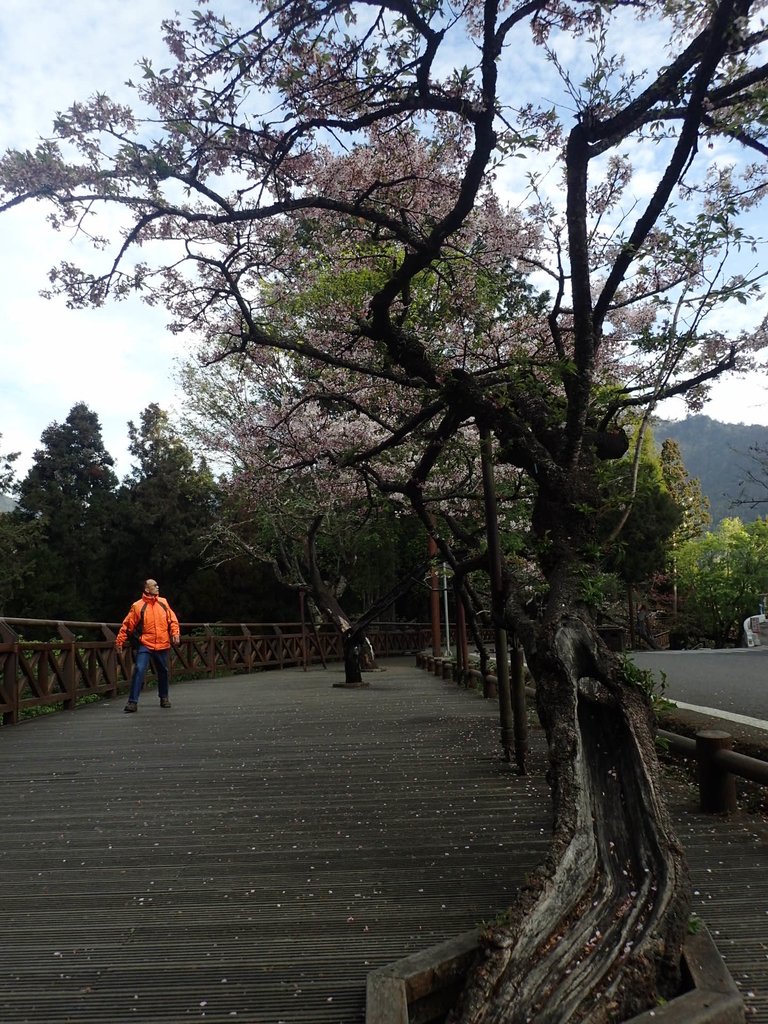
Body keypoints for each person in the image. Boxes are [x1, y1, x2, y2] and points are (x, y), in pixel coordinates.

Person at [116, 579, 180, 713]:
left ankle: (164, 697)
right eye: (154, 585)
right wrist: (119, 641)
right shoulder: (138, 606)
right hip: (145, 643)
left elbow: (172, 620)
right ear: (146, 589)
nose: (158, 587)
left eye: (157, 585)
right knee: (139, 669)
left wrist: (175, 633)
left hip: (162, 643)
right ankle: (132, 702)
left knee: (163, 670)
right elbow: (127, 625)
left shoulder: (163, 602)